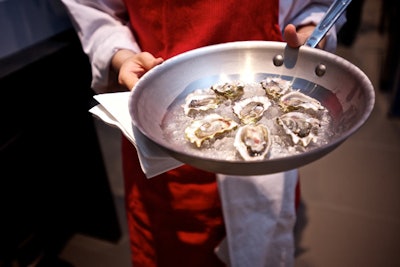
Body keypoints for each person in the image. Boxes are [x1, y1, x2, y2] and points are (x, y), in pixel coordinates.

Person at [61, 1, 344, 266]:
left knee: (261, 243)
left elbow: (317, 4)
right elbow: (94, 10)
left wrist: (311, 30)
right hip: (165, 139)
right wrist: (123, 57)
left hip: (269, 141)